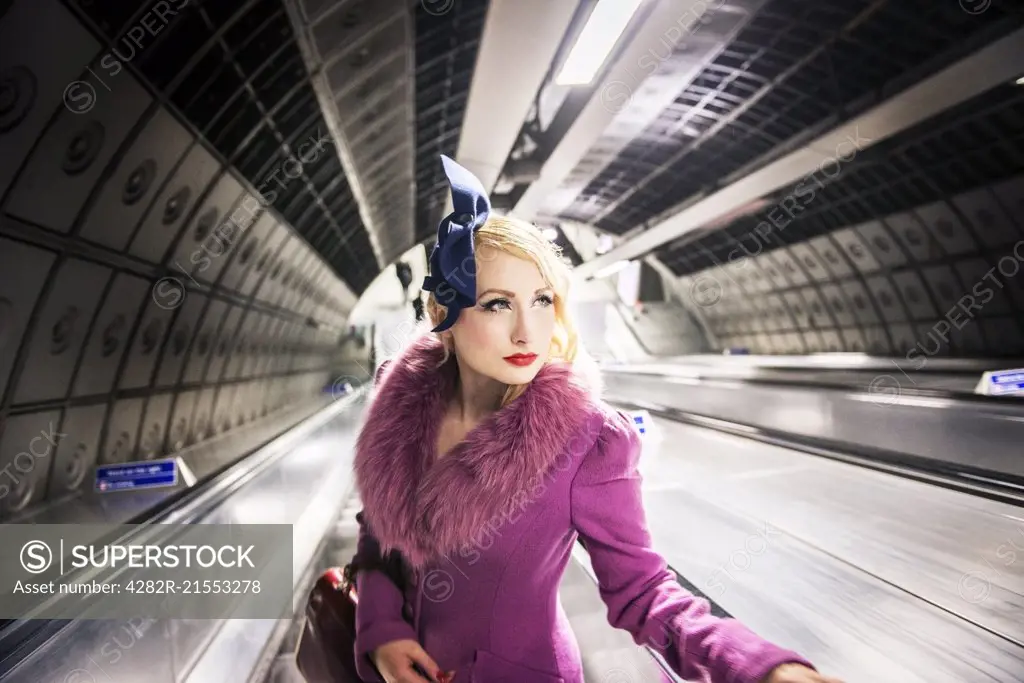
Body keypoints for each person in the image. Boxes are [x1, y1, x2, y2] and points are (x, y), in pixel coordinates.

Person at [349, 156, 842, 683]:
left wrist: (759, 670)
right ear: (444, 316)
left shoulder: (587, 441)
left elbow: (644, 592)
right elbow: (378, 534)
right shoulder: (402, 402)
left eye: (541, 300)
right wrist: (382, 630)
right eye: (497, 304)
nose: (527, 332)